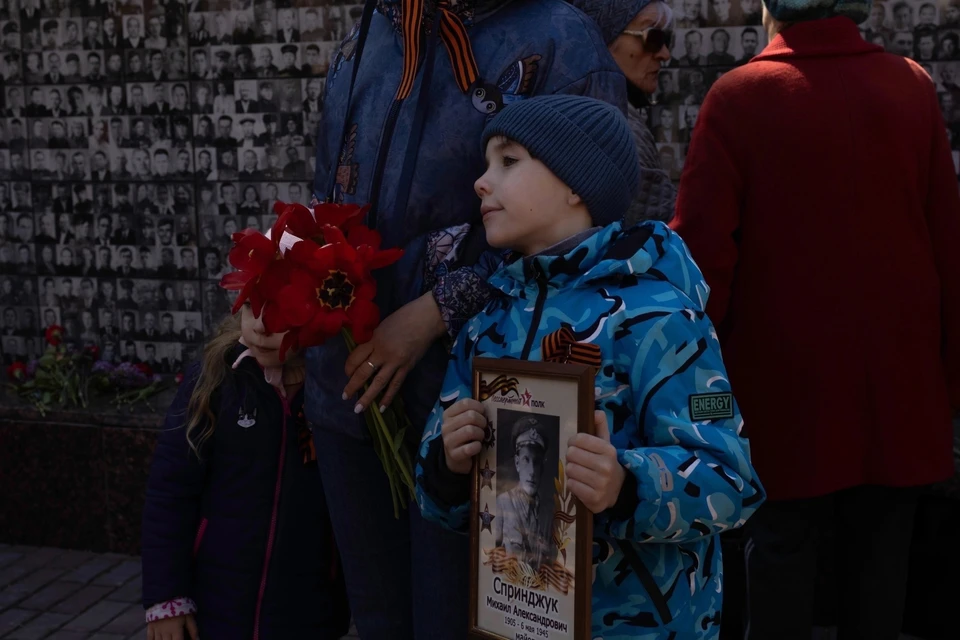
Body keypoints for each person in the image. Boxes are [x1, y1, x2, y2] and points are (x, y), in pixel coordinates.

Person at [302, 0, 627, 637]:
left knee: (462, 621)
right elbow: (324, 194)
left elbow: (588, 233)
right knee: (378, 621)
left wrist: (435, 310)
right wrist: (289, 302)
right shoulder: (368, 35)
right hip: (348, 393)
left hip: (480, 408)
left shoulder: (558, 39)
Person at [416, 95, 763, 638]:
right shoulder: (489, 321)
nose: (482, 182)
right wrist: (446, 464)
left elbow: (731, 478)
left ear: (576, 184)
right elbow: (440, 498)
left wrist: (626, 484)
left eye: (508, 161)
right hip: (517, 619)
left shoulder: (661, 316)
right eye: (486, 165)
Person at [669, 1, 960, 638]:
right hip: (899, 392)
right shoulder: (910, 85)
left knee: (778, 563)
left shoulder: (740, 95)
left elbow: (701, 261)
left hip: (782, 398)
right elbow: (947, 242)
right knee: (879, 577)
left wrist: (682, 393)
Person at [141, 305, 350, 639]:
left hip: (307, 612)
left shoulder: (339, 386)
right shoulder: (213, 379)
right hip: (215, 608)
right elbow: (169, 493)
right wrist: (166, 597)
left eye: (281, 311)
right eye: (253, 305)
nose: (262, 325)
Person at [569, 0, 678, 225]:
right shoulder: (616, 127)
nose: (665, 54)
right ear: (603, 39)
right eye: (653, 38)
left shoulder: (589, 109)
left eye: (666, 40)